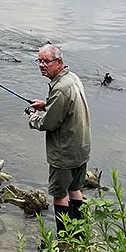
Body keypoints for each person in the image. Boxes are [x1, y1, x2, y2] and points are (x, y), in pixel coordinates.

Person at [27, 44, 91, 235]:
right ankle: (79, 232)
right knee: (75, 189)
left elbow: (49, 123)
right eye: (39, 60)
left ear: (59, 62)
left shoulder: (60, 88)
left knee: (59, 194)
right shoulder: (72, 79)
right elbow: (66, 104)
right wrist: (46, 104)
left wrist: (33, 119)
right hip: (81, 147)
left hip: (64, 152)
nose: (41, 65)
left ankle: (64, 238)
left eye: (46, 61)